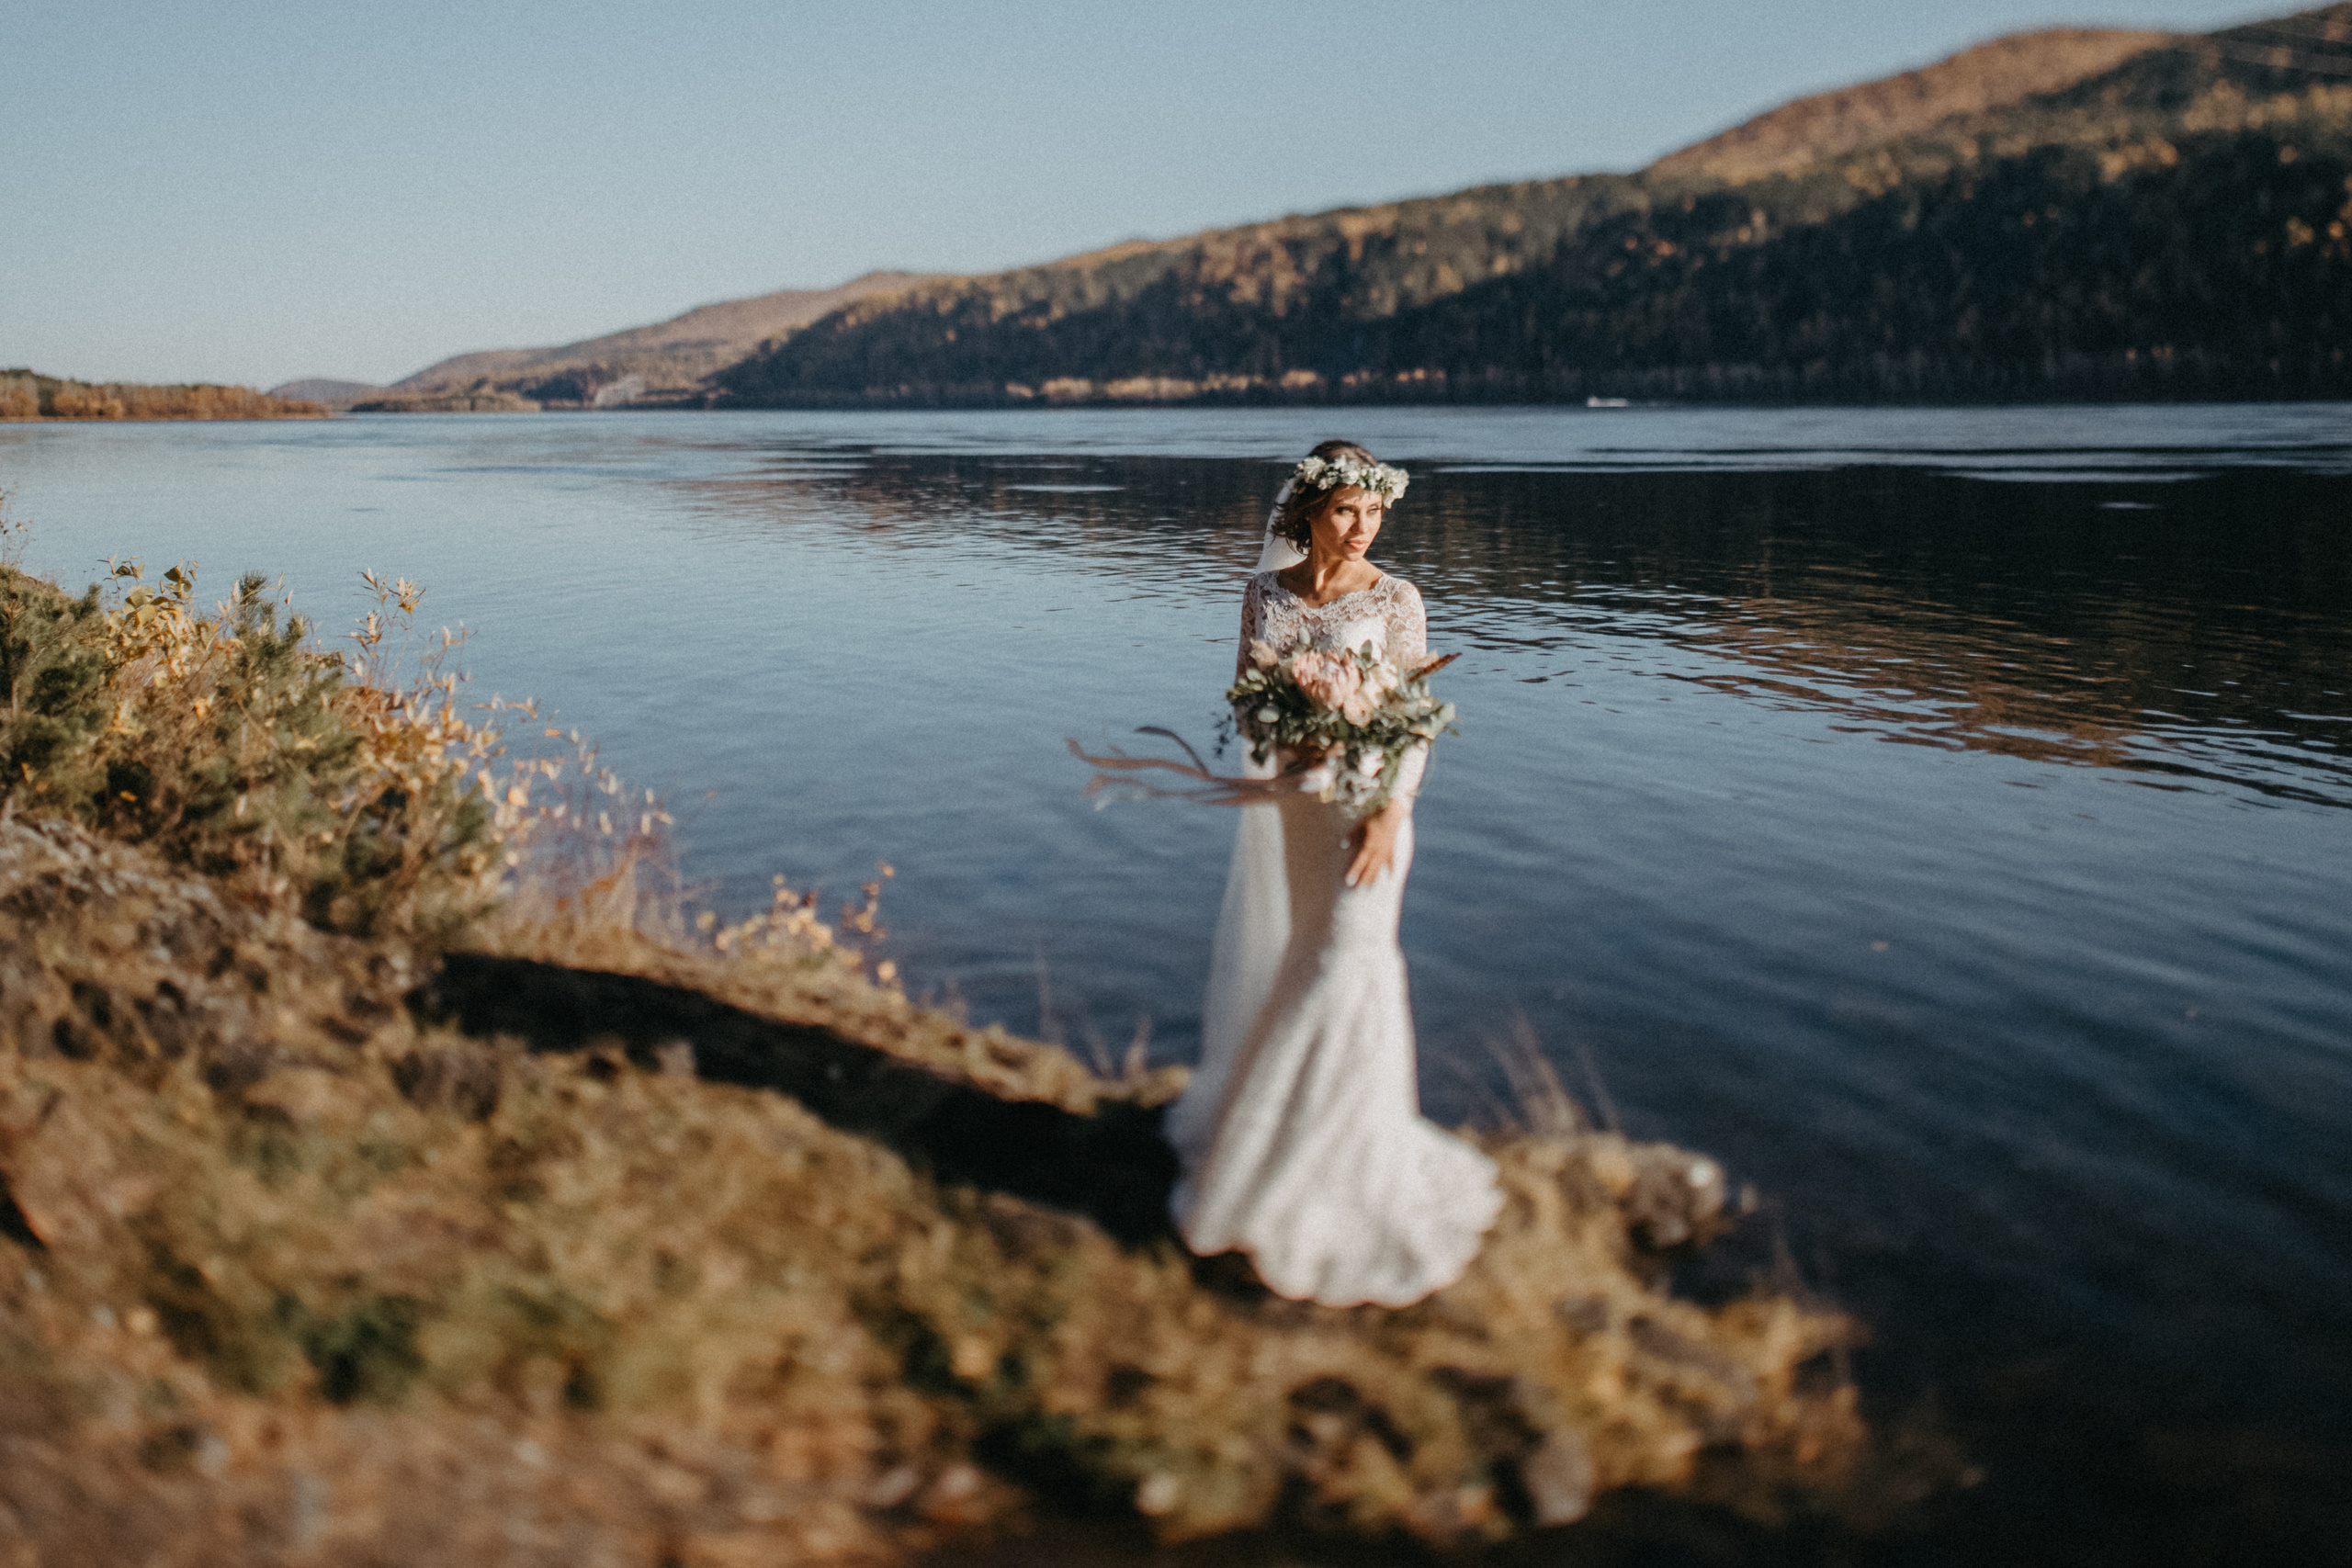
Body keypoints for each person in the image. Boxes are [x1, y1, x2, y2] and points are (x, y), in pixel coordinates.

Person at [1165, 440, 1502, 1307]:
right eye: (1346, 510)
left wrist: (1392, 809)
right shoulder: (1263, 594)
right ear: (1308, 513)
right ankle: (1278, 1150)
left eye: (1374, 511)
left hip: (1372, 806)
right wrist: (1295, 733)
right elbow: (1246, 697)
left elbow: (1414, 719)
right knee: (1307, 951)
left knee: (1351, 960)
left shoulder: (1396, 599)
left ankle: (1329, 1171)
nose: (1362, 527)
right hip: (1299, 806)